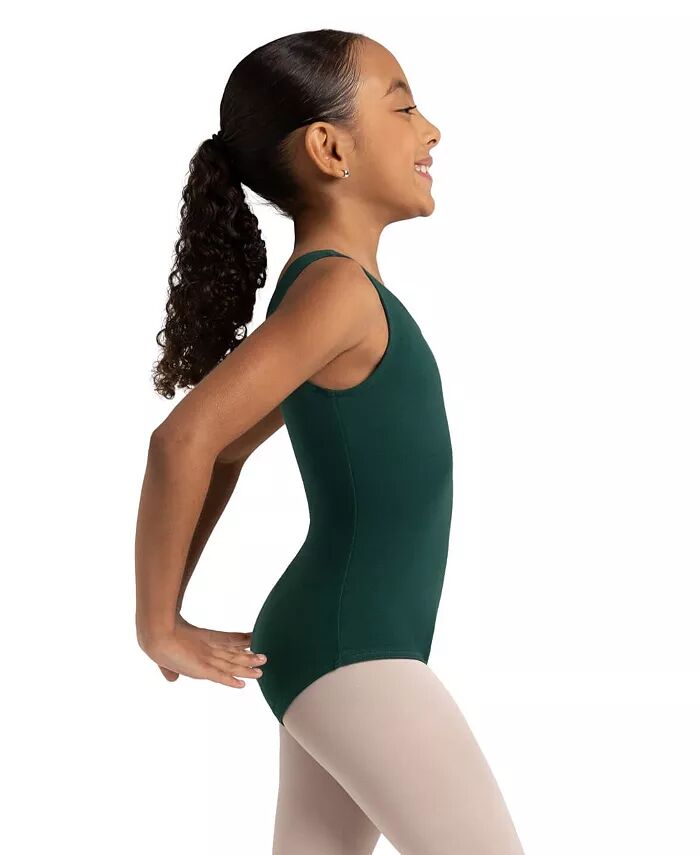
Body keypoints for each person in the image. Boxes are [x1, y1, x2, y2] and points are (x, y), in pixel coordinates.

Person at [135, 28, 526, 854]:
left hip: (345, 642)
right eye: (404, 108)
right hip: (354, 645)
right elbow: (183, 440)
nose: (431, 131)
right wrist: (160, 623)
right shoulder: (336, 292)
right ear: (330, 147)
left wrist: (171, 605)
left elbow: (225, 448)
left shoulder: (334, 294)